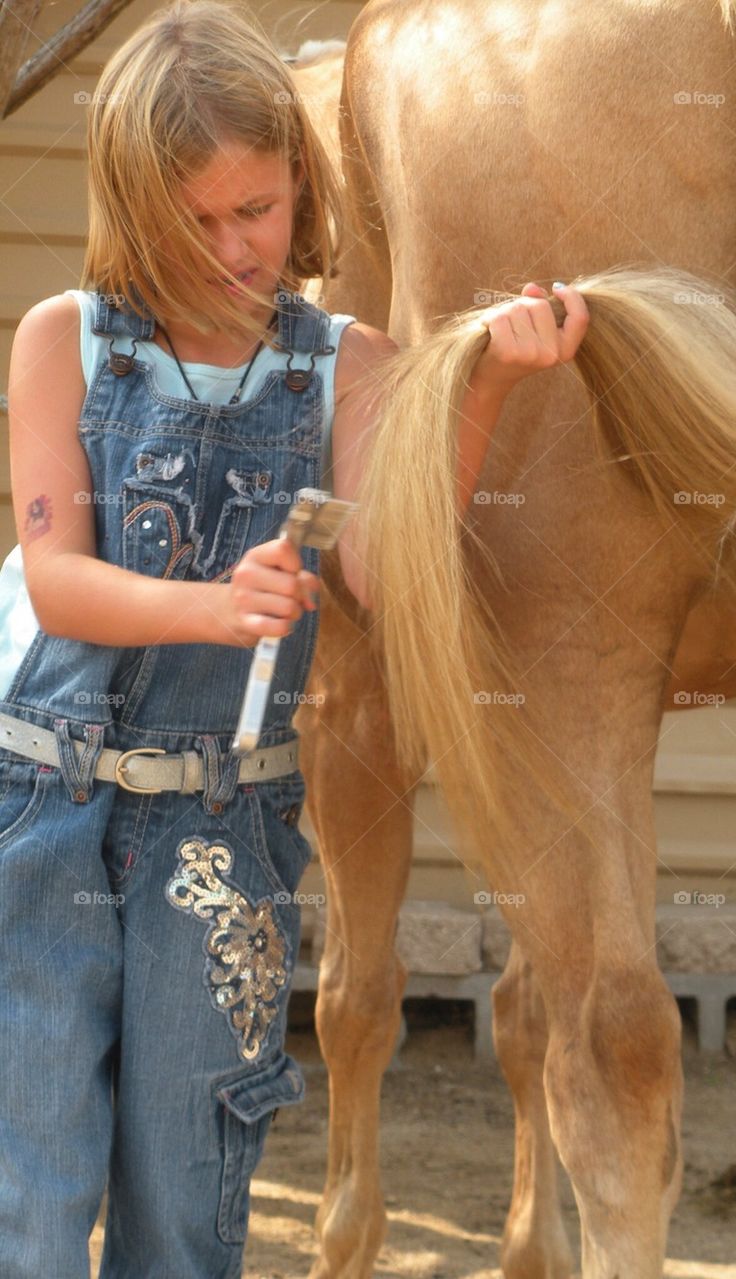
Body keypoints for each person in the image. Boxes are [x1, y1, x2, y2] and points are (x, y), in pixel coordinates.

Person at [0, 0, 589, 1274]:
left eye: (254, 211)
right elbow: (55, 580)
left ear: (298, 184)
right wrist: (214, 605)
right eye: (191, 220)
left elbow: (391, 558)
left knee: (187, 1203)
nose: (229, 250)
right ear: (127, 201)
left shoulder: (347, 368)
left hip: (223, 839)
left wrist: (481, 380)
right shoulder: (62, 343)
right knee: (27, 1204)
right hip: (37, 813)